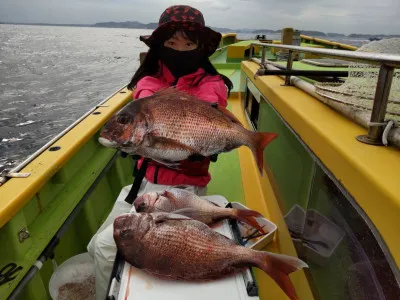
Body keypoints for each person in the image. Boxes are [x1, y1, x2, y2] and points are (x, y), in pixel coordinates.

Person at [87, 5, 233, 299]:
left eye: (189, 44)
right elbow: (144, 99)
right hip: (143, 184)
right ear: (160, 47)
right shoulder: (148, 81)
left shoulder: (213, 84)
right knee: (95, 246)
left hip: (181, 189)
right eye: (171, 43)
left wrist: (201, 138)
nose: (180, 50)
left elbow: (209, 104)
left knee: (105, 249)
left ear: (201, 48)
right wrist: (139, 132)